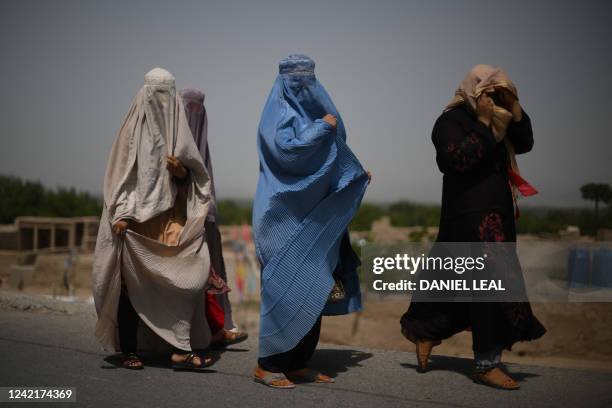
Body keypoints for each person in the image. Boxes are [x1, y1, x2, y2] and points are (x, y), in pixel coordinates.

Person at [400, 64, 546, 389]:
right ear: (470, 91)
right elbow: (460, 160)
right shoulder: (449, 122)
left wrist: (514, 105)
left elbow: (525, 143)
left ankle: (427, 333)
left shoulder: (502, 120)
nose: (490, 99)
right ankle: (486, 363)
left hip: (497, 218)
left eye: (495, 93)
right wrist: (481, 123)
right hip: (466, 217)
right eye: (486, 93)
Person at [252, 54, 370, 388]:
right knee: (283, 288)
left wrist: (353, 178)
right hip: (280, 214)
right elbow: (285, 152)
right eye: (296, 80)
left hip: (316, 215)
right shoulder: (277, 116)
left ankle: (299, 361)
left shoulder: (326, 115)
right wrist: (322, 127)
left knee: (315, 287)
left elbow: (334, 154)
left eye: (309, 79)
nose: (304, 87)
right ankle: (268, 364)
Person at [92, 68, 216, 370]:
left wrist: (181, 173)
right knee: (131, 288)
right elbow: (119, 177)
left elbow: (197, 175)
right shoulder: (131, 132)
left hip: (170, 219)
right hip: (134, 222)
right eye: (156, 95)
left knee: (187, 279)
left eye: (166, 95)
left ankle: (179, 347)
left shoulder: (179, 128)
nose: (161, 103)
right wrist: (121, 213)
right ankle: (131, 351)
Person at [180, 88, 248, 348]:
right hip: (182, 220)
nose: (193, 115)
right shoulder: (174, 143)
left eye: (198, 109)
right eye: (189, 108)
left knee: (214, 272)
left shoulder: (202, 148)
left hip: (207, 217)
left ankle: (220, 325)